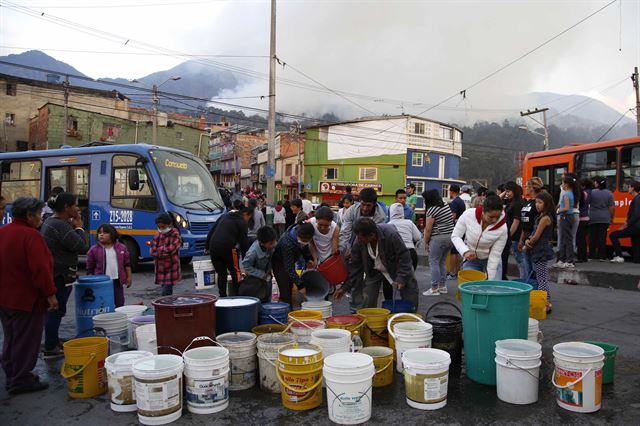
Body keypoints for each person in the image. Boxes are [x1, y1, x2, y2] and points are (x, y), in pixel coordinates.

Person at [0, 197, 58, 394]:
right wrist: (50, 294)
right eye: (39, 214)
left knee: (11, 337)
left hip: (6, 298)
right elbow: (40, 270)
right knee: (26, 340)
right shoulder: (30, 236)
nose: (41, 218)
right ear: (29, 215)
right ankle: (20, 379)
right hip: (27, 299)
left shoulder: (4, 232)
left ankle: (12, 374)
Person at [40, 192, 89, 359]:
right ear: (67, 208)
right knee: (56, 310)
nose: (77, 208)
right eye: (75, 205)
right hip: (60, 274)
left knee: (56, 310)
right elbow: (81, 246)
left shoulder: (52, 222)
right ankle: (51, 346)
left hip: (57, 273)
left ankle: (52, 341)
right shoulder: (60, 225)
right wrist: (80, 227)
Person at [335, 218, 418, 309]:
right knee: (368, 296)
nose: (358, 240)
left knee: (410, 288)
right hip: (374, 270)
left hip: (396, 266)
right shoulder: (358, 242)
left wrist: (401, 278)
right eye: (357, 237)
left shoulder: (391, 234)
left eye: (361, 238)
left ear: (372, 235)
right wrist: (345, 287)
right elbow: (355, 267)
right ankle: (369, 319)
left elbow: (404, 256)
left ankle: (411, 317)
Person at [339, 187, 388, 307]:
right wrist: (344, 249)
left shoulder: (381, 216)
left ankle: (369, 308)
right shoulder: (351, 211)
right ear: (359, 202)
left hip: (371, 249)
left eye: (369, 205)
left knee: (371, 280)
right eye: (363, 204)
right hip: (353, 248)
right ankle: (355, 308)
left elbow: (374, 237)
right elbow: (345, 232)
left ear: (374, 204)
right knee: (355, 279)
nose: (365, 208)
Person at [451, 195, 508, 280]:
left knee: (493, 289)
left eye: (498, 217)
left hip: (491, 260)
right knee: (470, 288)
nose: (494, 220)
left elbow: (495, 256)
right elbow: (455, 236)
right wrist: (465, 251)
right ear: (483, 211)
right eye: (491, 217)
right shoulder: (468, 215)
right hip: (471, 259)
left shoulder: (503, 228)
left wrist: (491, 281)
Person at [207, 205, 252, 298]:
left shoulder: (224, 216)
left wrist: (206, 247)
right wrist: (246, 262)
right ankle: (237, 295)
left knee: (221, 273)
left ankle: (222, 296)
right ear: (245, 214)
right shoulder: (241, 221)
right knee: (235, 271)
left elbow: (211, 231)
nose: (248, 220)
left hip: (213, 247)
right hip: (227, 247)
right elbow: (244, 243)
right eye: (249, 218)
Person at [86, 224, 132, 307]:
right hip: (101, 282)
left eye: (105, 232)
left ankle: (118, 318)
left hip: (117, 281)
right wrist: (93, 279)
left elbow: (127, 264)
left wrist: (129, 277)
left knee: (119, 302)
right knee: (102, 303)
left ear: (112, 234)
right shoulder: (94, 249)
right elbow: (90, 267)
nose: (101, 234)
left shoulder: (122, 248)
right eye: (99, 232)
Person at [524, 191, 555, 313]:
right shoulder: (540, 217)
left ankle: (546, 303)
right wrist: (528, 241)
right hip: (537, 249)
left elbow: (536, 237)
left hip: (540, 250)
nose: (537, 205)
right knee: (540, 276)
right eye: (536, 202)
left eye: (540, 202)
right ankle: (545, 301)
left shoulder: (545, 218)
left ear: (546, 204)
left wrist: (528, 242)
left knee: (541, 278)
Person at [272, 223, 315, 306]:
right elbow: (289, 268)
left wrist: (308, 259)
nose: (305, 242)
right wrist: (300, 286)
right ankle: (285, 312)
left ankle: (289, 307)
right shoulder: (287, 243)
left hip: (290, 261)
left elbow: (305, 248)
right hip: (279, 263)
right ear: (297, 235)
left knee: (290, 285)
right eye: (303, 240)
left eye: (307, 240)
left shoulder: (302, 233)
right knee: (285, 290)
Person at [422, 190, 456, 295]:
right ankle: (442, 286)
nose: (424, 201)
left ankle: (434, 288)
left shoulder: (432, 209)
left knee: (434, 262)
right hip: (450, 237)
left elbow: (428, 229)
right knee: (442, 262)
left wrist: (426, 242)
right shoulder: (445, 204)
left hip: (438, 238)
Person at [239, 226, 277, 302]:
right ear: (262, 243)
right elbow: (246, 265)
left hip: (267, 276)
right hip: (255, 280)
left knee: (267, 296)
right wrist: (261, 274)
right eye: (271, 243)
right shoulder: (253, 253)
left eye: (274, 241)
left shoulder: (270, 245)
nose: (274, 244)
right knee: (258, 298)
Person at [517, 177, 544, 280]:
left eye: (527, 185)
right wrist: (521, 240)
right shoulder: (528, 202)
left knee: (534, 269)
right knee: (528, 267)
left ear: (532, 187)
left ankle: (536, 291)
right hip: (526, 237)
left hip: (534, 239)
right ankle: (530, 290)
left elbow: (538, 223)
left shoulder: (538, 203)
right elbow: (525, 222)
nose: (525, 187)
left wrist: (531, 239)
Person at [149, 213, 182, 296]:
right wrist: (161, 250)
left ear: (169, 225)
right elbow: (152, 251)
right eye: (159, 227)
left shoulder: (175, 235)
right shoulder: (157, 235)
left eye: (163, 227)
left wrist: (158, 251)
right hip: (160, 269)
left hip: (171, 269)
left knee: (166, 293)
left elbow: (171, 250)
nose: (161, 229)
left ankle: (167, 308)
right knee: (166, 293)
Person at [610, 180, 640, 263]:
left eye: (629, 187)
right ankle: (637, 260)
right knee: (636, 242)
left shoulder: (637, 199)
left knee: (613, 235)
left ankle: (619, 256)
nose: (628, 188)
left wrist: (625, 225)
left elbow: (636, 215)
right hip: (637, 227)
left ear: (633, 188)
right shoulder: (637, 198)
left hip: (635, 226)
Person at [553, 176, 579, 268]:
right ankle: (564, 259)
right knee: (566, 238)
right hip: (569, 216)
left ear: (567, 185)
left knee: (566, 239)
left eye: (563, 183)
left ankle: (569, 260)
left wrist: (558, 211)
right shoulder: (572, 193)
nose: (562, 185)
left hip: (566, 216)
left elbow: (567, 208)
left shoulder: (566, 195)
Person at [588, 176, 615, 261]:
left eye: (595, 182)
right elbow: (611, 208)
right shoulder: (609, 193)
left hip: (593, 217)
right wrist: (611, 217)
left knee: (592, 237)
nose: (594, 183)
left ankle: (591, 255)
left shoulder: (592, 192)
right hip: (605, 217)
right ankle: (602, 256)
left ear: (597, 183)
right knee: (602, 238)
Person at [388, 202, 422, 270]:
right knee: (410, 278)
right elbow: (418, 237)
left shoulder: (388, 225)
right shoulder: (409, 222)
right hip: (410, 252)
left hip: (395, 254)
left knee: (397, 278)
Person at [502, 182, 523, 280]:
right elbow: (497, 199)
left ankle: (524, 281)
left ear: (514, 191)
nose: (507, 193)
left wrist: (508, 236)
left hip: (514, 237)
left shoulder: (518, 204)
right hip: (510, 236)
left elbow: (516, 222)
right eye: (506, 191)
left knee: (521, 262)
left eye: (508, 191)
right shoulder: (511, 202)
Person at [446, 184, 466, 280]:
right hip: (462, 227)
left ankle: (452, 272)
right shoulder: (461, 201)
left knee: (453, 252)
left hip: (456, 227)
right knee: (458, 251)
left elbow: (453, 216)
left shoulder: (454, 202)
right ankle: (457, 271)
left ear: (452, 191)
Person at [576, 178, 593, 262]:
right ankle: (584, 256)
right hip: (587, 217)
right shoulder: (592, 192)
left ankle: (580, 257)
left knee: (580, 238)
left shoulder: (584, 193)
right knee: (583, 238)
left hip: (581, 218)